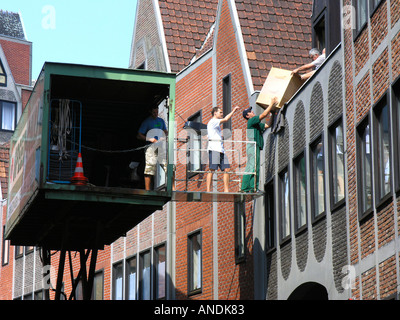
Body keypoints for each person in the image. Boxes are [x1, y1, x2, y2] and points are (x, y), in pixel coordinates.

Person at [241, 97, 279, 192]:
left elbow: (267, 125)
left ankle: (253, 187)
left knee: (255, 168)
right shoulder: (251, 121)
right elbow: (263, 115)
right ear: (247, 116)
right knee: (251, 167)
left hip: (255, 146)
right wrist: (271, 104)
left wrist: (273, 115)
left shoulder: (256, 124)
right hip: (252, 146)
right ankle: (245, 188)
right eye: (250, 112)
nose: (252, 112)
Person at [206, 106, 239, 192]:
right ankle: (208, 190)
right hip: (214, 149)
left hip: (221, 150)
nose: (221, 114)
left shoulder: (215, 124)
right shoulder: (213, 121)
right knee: (212, 169)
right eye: (220, 112)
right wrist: (233, 110)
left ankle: (226, 190)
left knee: (227, 168)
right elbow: (226, 119)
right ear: (215, 113)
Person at [137, 105, 170, 191]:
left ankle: (172, 188)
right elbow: (139, 135)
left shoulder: (161, 121)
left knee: (167, 166)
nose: (155, 114)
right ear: (150, 112)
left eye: (157, 112)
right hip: (150, 147)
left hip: (160, 146)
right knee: (149, 169)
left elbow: (165, 131)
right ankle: (148, 190)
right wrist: (150, 139)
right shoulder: (147, 122)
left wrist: (164, 136)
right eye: (154, 112)